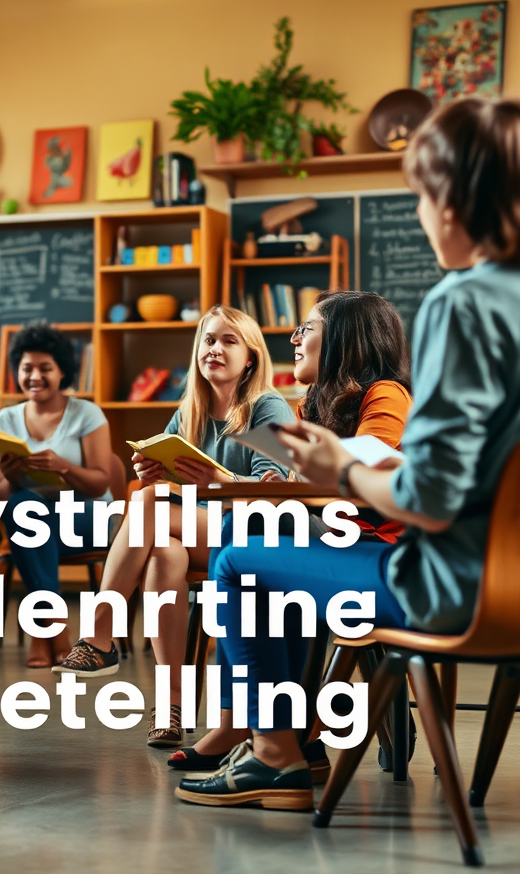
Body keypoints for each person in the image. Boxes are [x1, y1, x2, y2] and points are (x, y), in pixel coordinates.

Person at [176, 97, 520, 811]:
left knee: (238, 560)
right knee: (277, 545)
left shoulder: (468, 301)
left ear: (454, 198)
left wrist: (343, 470)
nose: (422, 215)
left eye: (422, 196)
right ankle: (286, 738)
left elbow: (432, 496)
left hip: (452, 590)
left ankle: (274, 756)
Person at [170, 289, 413, 772]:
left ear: (346, 340)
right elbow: (290, 484)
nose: (295, 338)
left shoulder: (384, 392)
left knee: (250, 532)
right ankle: (278, 732)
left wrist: (281, 481)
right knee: (248, 528)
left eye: (308, 330)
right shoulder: (309, 406)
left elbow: (362, 465)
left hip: (370, 542)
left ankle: (253, 723)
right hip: (327, 533)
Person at [54, 305, 292, 747]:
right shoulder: (190, 411)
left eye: (228, 341)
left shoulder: (267, 405)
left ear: (252, 357)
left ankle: (100, 633)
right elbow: (172, 485)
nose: (214, 349)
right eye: (207, 339)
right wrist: (152, 472)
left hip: (257, 532)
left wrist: (216, 480)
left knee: (148, 502)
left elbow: (274, 490)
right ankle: (169, 708)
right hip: (202, 532)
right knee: (164, 551)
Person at [0, 321, 114, 668]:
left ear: (62, 372)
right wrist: (11, 478)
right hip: (34, 525)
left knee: (30, 528)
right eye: (27, 368)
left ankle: (45, 632)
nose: (35, 376)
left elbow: (100, 484)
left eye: (45, 368)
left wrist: (64, 467)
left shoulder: (86, 414)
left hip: (88, 520)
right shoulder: (4, 420)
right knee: (22, 505)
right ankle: (55, 629)